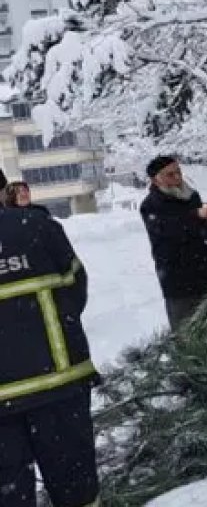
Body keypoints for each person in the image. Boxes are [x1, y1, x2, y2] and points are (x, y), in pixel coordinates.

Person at [0, 202, 100, 506]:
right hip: (58, 384)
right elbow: (75, 286)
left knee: (9, 495)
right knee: (76, 489)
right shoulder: (38, 226)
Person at [140, 156, 207, 331]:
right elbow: (170, 229)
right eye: (169, 175)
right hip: (179, 282)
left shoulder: (191, 196)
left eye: (178, 172)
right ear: (155, 179)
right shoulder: (151, 205)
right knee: (187, 335)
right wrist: (197, 215)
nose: (177, 178)